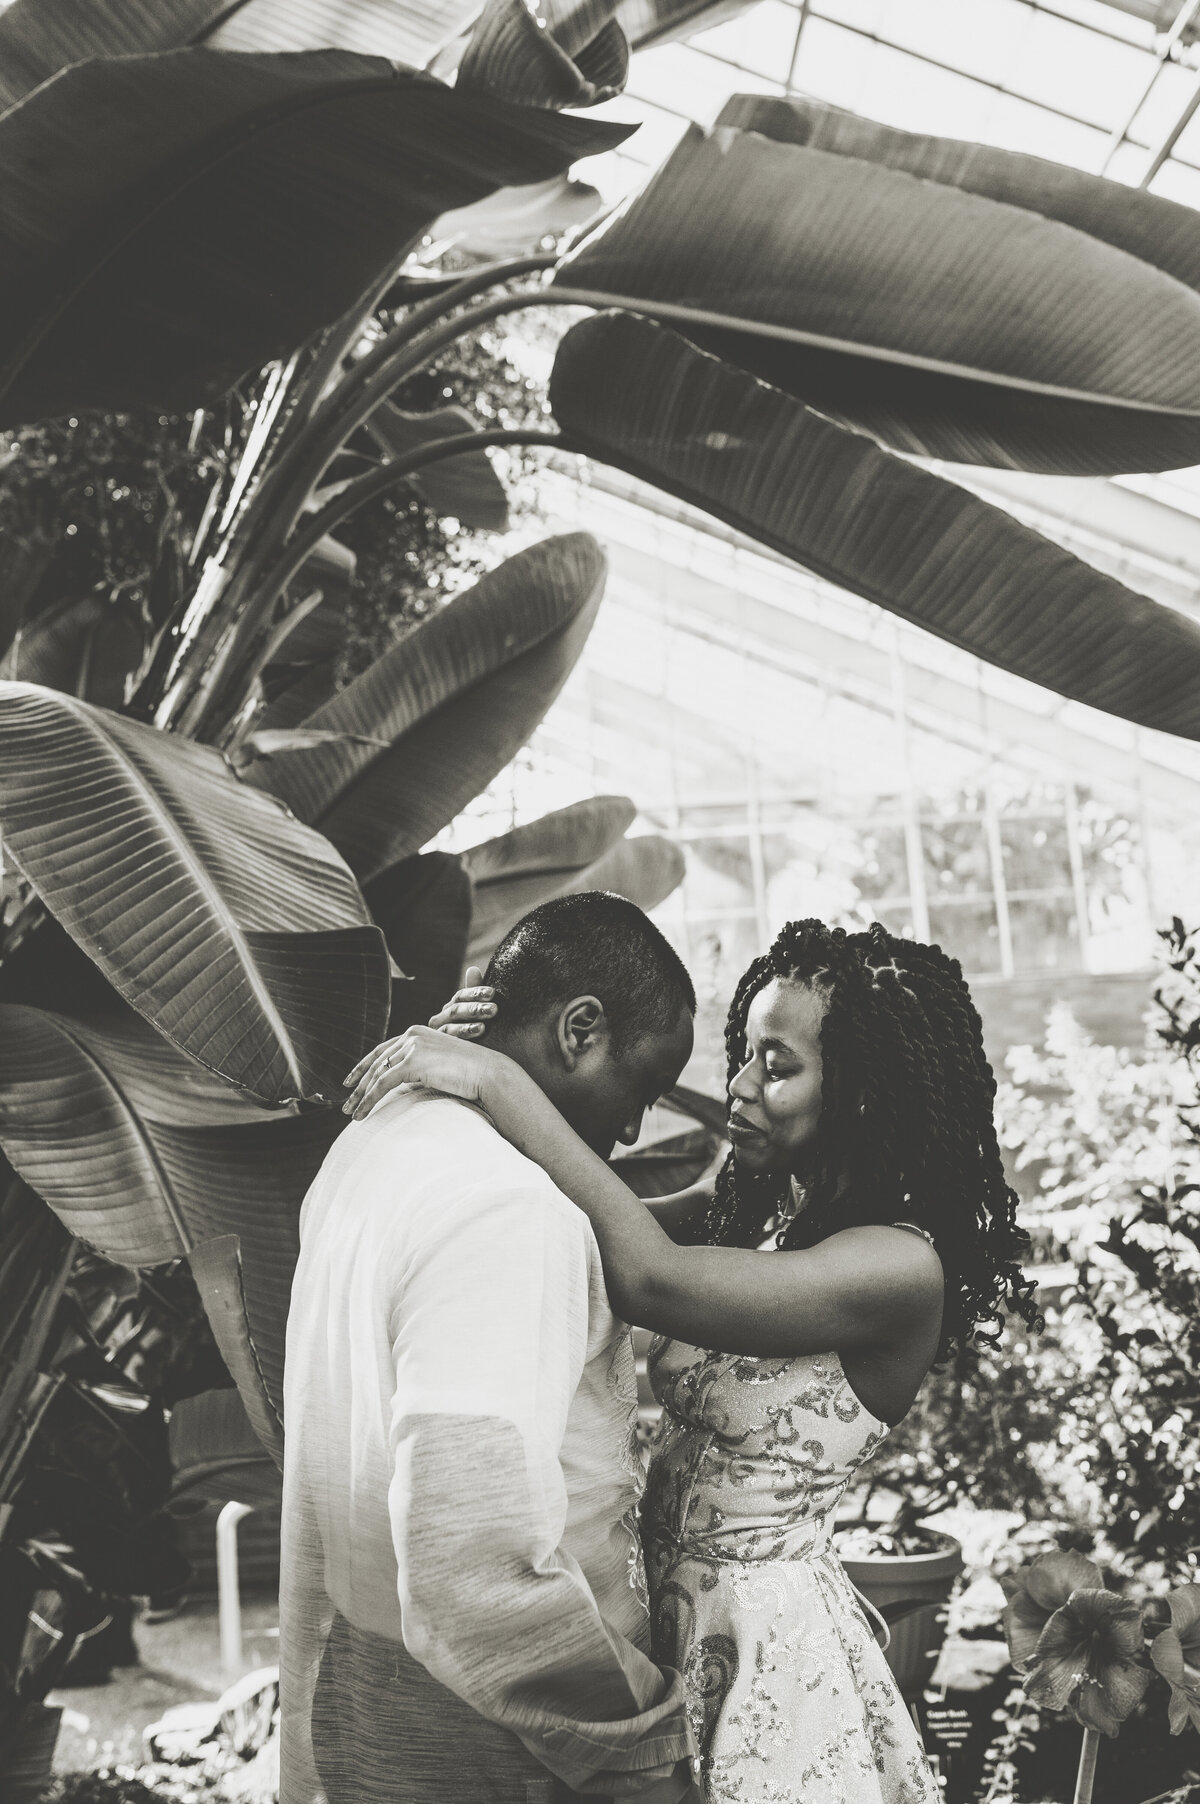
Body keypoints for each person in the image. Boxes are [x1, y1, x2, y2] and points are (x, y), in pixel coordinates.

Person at [345, 916, 1043, 1804]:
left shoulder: (898, 1268)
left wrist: (499, 1079)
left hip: (768, 1649)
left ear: (864, 1094)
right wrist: (461, 1077)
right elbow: (578, 1217)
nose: (741, 1088)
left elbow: (650, 1278)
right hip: (663, 1626)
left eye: (779, 1067)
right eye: (745, 1054)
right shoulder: (751, 1209)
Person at [280, 891, 707, 1804]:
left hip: (368, 1677)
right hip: (496, 1724)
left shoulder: (375, 1140)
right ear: (580, 1028)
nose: (631, 1131)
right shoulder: (508, 1205)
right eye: (639, 1090)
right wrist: (631, 1749)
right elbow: (470, 1555)